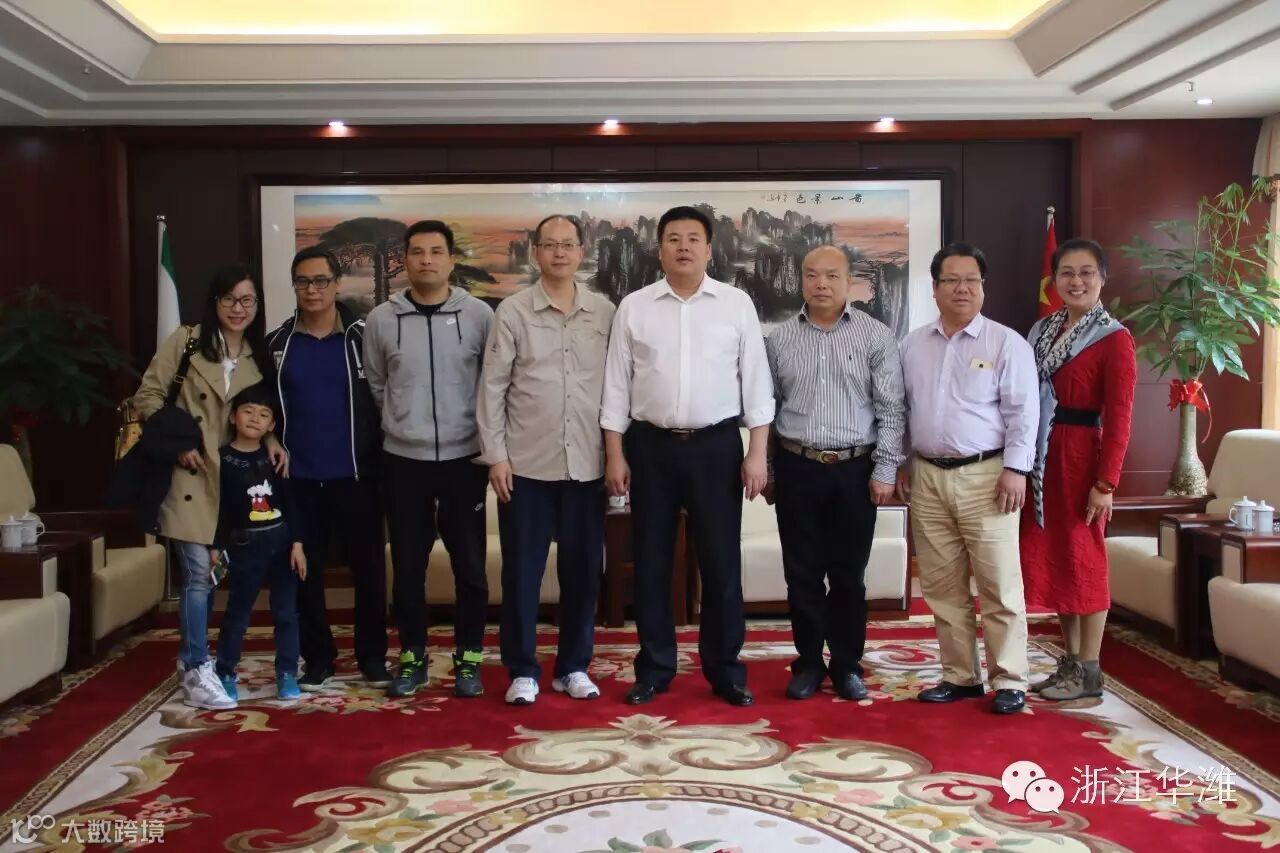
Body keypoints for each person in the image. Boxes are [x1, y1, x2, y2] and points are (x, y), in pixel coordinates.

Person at [601, 205, 774, 708]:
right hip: (650, 447)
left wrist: (757, 454)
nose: (683, 247)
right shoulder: (634, 306)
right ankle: (654, 668)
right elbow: (616, 386)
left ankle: (725, 670)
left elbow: (756, 384)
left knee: (720, 564)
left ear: (709, 249)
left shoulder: (735, 304)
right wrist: (615, 454)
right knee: (651, 561)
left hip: (716, 447)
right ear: (659, 249)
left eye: (693, 238)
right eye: (673, 238)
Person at [895, 243, 1038, 715]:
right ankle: (960, 676)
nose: (962, 288)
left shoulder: (1006, 343)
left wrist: (1016, 469)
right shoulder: (912, 345)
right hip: (927, 477)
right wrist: (901, 462)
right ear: (934, 288)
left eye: (971, 280)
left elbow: (1023, 414)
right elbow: (901, 411)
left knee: (999, 584)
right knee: (942, 586)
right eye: (951, 280)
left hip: (989, 477)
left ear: (982, 287)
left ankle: (1010, 678)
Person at [478, 214, 616, 705]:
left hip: (587, 465)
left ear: (582, 252)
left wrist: (617, 456)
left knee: (582, 573)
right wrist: (495, 456)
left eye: (568, 245)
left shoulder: (604, 312)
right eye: (550, 245)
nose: (559, 253)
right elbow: (492, 387)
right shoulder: (513, 311)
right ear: (536, 252)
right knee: (522, 573)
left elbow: (619, 388)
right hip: (525, 466)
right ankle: (522, 669)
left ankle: (573, 666)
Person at [131, 264, 283, 711]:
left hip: (234, 476)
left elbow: (260, 411)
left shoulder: (258, 354)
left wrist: (271, 439)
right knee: (197, 572)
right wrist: (178, 444)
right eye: (229, 299)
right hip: (190, 473)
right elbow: (147, 397)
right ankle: (196, 664)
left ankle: (205, 660)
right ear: (214, 302)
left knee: (222, 571)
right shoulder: (186, 342)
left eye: (247, 300)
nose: (238, 309)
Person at [764, 245, 906, 701]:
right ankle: (808, 663)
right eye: (811, 275)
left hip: (854, 469)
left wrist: (885, 470)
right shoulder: (779, 339)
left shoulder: (875, 336)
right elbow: (767, 410)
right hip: (796, 466)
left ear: (849, 282)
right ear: (801, 280)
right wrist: (769, 469)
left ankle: (846, 665)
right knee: (801, 573)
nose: (821, 283)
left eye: (831, 275)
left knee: (849, 575)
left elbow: (891, 409)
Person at [364, 220, 494, 698]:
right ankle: (413, 657)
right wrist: (406, 422)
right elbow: (377, 384)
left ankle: (469, 659)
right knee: (408, 569)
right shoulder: (382, 319)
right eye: (417, 252)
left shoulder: (479, 315)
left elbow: (492, 383)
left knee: (471, 569)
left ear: (451, 259)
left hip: (465, 460)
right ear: (405, 260)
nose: (426, 260)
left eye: (436, 252)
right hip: (404, 462)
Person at [267, 247, 389, 692]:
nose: (312, 289)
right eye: (303, 281)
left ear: (337, 283)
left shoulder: (362, 337)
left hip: (357, 477)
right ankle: (318, 658)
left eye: (320, 280)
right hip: (299, 479)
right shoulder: (277, 344)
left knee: (369, 572)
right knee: (305, 572)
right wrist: (268, 439)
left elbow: (385, 397)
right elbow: (259, 405)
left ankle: (372, 657)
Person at [1020, 239, 1136, 701]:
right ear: (1055, 280)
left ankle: (1090, 668)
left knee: (1085, 560)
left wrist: (1106, 483)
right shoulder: (1042, 330)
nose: (1076, 281)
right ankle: (1070, 660)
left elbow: (1121, 418)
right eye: (1067, 272)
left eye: (1087, 272)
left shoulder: (1114, 338)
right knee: (1058, 562)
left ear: (1102, 278)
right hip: (1042, 458)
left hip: (1082, 459)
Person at [212, 383, 307, 702]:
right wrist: (216, 545)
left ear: (272, 425)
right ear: (233, 417)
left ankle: (287, 672)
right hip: (243, 545)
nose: (255, 419)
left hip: (282, 543)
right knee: (238, 612)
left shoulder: (275, 457)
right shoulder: (222, 460)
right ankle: (225, 671)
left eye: (264, 414)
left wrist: (298, 543)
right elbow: (218, 509)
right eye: (248, 411)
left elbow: (291, 502)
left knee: (286, 612)